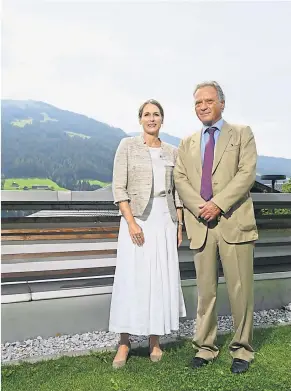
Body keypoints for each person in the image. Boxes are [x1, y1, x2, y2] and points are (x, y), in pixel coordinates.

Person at [174, 81, 258, 374]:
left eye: (209, 101)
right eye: (198, 103)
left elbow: (247, 174)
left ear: (222, 103)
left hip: (234, 222)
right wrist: (200, 207)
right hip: (201, 225)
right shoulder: (187, 143)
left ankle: (242, 350)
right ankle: (206, 347)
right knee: (205, 291)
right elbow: (180, 179)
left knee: (240, 291)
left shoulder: (242, 134)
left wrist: (218, 203)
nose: (203, 106)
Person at [109, 99, 186, 369]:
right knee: (132, 277)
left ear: (162, 120)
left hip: (164, 221)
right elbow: (119, 188)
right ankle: (124, 341)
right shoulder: (127, 146)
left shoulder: (171, 151)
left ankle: (154, 340)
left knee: (159, 279)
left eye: (156, 115)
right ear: (140, 119)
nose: (151, 119)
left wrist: (179, 224)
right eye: (147, 114)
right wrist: (131, 223)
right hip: (137, 219)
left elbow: (177, 192)